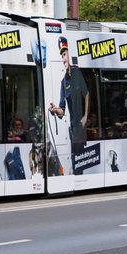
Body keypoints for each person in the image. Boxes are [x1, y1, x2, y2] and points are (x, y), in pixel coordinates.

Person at [47, 36, 89, 170]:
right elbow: (62, 111)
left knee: (82, 160)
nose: (63, 59)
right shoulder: (63, 82)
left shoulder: (77, 71)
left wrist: (86, 115)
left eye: (65, 54)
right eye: (62, 56)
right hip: (73, 129)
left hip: (82, 127)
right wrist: (55, 109)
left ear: (69, 55)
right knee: (76, 162)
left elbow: (86, 93)